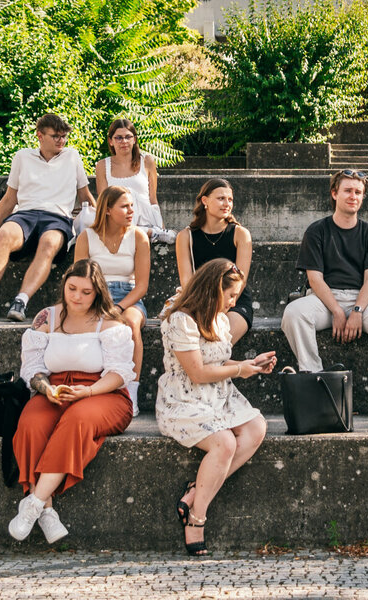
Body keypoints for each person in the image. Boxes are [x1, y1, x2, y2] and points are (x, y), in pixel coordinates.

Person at [10, 259, 135, 543]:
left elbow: (119, 373)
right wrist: (46, 390)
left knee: (77, 420)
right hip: (55, 390)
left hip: (103, 392)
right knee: (31, 423)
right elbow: (32, 368)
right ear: (64, 285)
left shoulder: (111, 321)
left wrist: (87, 392)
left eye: (86, 292)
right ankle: (48, 511)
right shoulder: (47, 317)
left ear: (98, 292)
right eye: (72, 289)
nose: (77, 297)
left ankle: (34, 502)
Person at [157, 259, 276, 556]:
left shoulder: (221, 320)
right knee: (224, 443)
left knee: (256, 428)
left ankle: (195, 492)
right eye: (231, 296)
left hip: (218, 394)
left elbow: (219, 363)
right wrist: (239, 372)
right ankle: (197, 518)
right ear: (212, 289)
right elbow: (196, 372)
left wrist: (251, 364)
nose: (234, 303)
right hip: (184, 398)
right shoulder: (181, 320)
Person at [282, 169, 368, 418]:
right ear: (334, 193)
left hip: (362, 300)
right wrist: (337, 310)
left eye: (358, 192)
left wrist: (357, 311)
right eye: (347, 190)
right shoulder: (317, 230)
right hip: (324, 299)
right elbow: (314, 278)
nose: (353, 196)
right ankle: (315, 381)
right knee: (293, 314)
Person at [0, 113, 96, 322]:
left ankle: (21, 301)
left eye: (64, 136)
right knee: (5, 234)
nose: (61, 140)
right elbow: (9, 198)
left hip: (57, 217)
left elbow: (85, 195)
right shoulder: (23, 157)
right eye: (56, 136)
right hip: (25, 214)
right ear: (40, 136)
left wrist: (105, 223)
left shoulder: (72, 156)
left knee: (49, 242)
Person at [73, 185, 151, 415]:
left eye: (132, 206)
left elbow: (142, 286)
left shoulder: (138, 237)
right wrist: (95, 302)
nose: (131, 211)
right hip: (94, 293)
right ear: (107, 209)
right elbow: (78, 277)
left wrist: (118, 307)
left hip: (128, 296)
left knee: (130, 323)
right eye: (124, 206)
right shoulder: (86, 237)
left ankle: (131, 391)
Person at [175, 179, 254, 343]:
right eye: (221, 198)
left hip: (234, 302)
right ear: (205, 201)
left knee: (219, 341)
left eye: (230, 199)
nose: (227, 204)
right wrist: (205, 306)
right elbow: (187, 281)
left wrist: (221, 307)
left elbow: (241, 280)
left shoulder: (240, 234)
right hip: (198, 300)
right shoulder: (185, 236)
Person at [94, 118, 175, 244]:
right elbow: (104, 203)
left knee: (128, 194)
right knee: (122, 196)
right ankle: (150, 232)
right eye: (118, 138)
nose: (124, 141)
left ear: (134, 139)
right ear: (110, 141)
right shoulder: (102, 166)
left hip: (145, 216)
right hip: (117, 218)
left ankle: (153, 231)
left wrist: (162, 226)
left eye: (128, 137)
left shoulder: (147, 161)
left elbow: (153, 199)